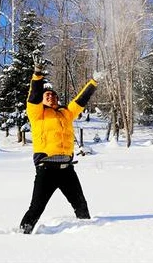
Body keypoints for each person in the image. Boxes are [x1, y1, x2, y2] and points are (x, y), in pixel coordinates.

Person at [19, 52, 104, 234]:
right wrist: (38, 75)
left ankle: (90, 233)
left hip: (67, 170)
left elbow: (80, 100)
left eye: (53, 95)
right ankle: (22, 235)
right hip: (46, 169)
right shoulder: (37, 114)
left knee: (81, 205)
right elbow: (33, 96)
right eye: (46, 95)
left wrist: (93, 82)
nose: (50, 97)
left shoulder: (66, 113)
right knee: (36, 208)